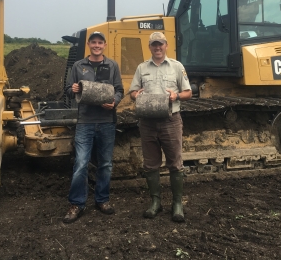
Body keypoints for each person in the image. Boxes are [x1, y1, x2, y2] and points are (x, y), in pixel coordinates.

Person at [129, 32, 192, 222]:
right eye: (154, 45)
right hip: (147, 123)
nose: (157, 47)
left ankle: (177, 204)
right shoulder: (141, 68)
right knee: (150, 164)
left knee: (175, 163)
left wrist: (176, 96)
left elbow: (188, 92)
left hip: (170, 121)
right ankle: (155, 202)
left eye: (161, 44)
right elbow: (132, 91)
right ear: (150, 47)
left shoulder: (177, 67)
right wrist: (135, 95)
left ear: (166, 45)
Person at [63, 31, 124, 224]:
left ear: (104, 45)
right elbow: (67, 89)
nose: (97, 45)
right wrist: (71, 90)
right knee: (81, 163)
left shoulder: (112, 65)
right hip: (85, 122)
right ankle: (77, 204)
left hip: (107, 121)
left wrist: (114, 101)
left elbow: (120, 90)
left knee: (105, 164)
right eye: (94, 42)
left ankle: (102, 200)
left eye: (100, 42)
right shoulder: (78, 66)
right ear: (89, 44)